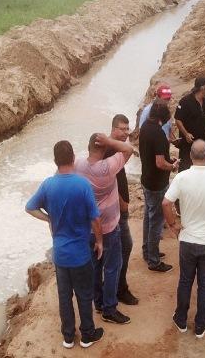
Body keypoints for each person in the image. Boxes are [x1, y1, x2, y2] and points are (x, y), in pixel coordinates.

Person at [25, 141, 105, 349]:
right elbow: (95, 219)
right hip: (80, 254)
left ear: (55, 160)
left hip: (60, 255)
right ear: (72, 159)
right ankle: (87, 334)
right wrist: (99, 241)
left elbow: (30, 207)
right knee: (84, 295)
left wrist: (49, 218)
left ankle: (68, 336)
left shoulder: (48, 184)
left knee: (64, 297)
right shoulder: (82, 185)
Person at [162, 140, 205, 339]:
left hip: (188, 239)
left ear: (191, 156)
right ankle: (200, 325)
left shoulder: (182, 177)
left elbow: (166, 203)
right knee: (204, 284)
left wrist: (173, 225)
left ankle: (181, 320)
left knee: (185, 281)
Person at [76, 132, 134, 325]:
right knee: (112, 267)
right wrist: (110, 141)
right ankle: (109, 309)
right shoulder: (107, 168)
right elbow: (129, 149)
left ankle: (98, 302)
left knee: (95, 265)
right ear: (104, 149)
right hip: (108, 227)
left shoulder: (79, 166)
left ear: (88, 148)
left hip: (88, 227)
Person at [102, 115, 139, 305]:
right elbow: (107, 182)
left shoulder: (112, 148)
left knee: (115, 251)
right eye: (122, 129)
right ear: (113, 129)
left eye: (128, 129)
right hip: (116, 212)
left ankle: (110, 288)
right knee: (123, 249)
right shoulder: (110, 150)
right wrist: (122, 203)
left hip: (114, 211)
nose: (126, 133)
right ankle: (119, 289)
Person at [138, 100, 179, 272]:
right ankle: (154, 261)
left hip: (147, 179)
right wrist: (173, 166)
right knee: (156, 222)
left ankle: (148, 251)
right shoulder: (158, 134)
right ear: (163, 117)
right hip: (157, 183)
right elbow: (160, 163)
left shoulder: (145, 128)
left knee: (149, 217)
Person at [174, 76, 205, 172]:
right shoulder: (185, 101)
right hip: (187, 145)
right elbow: (178, 119)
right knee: (185, 169)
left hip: (203, 145)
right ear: (203, 88)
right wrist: (186, 134)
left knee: (201, 169)